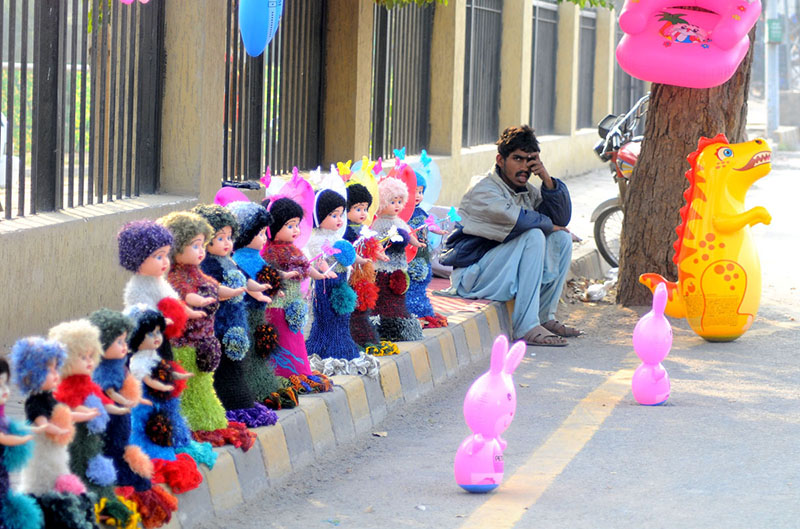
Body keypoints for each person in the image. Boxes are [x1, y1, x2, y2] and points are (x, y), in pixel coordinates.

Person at [440, 125, 581, 346]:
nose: (524, 167)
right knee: (534, 235)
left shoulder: (525, 190)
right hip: (473, 276)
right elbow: (520, 220)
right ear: (500, 159)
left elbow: (561, 220)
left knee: (561, 239)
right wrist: (549, 226)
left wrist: (546, 178)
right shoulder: (483, 189)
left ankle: (545, 317)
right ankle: (526, 327)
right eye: (517, 159)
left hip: (501, 272)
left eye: (529, 160)